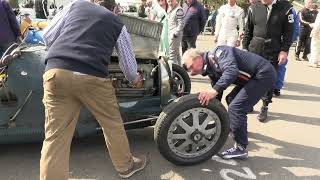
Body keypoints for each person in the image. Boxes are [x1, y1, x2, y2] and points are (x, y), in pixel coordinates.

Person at [40, 0, 147, 179]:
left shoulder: (76, 5)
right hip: (92, 76)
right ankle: (125, 167)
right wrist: (135, 79)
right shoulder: (116, 23)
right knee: (112, 124)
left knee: (55, 136)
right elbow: (128, 67)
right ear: (115, 9)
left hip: (56, 72)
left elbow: (47, 36)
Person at [182, 46, 276, 159]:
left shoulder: (219, 53)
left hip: (263, 74)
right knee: (231, 99)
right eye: (190, 70)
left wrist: (212, 91)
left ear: (198, 58)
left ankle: (241, 148)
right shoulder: (209, 68)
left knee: (236, 108)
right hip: (251, 78)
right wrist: (208, 112)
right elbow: (217, 94)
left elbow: (231, 71)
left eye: (191, 67)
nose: (192, 72)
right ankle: (235, 128)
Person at [242, 0, 294, 122]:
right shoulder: (254, 7)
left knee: (268, 79)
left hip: (273, 49)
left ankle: (265, 105)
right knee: (250, 77)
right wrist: (244, 48)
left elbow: (289, 33)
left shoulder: (286, 8)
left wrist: (284, 51)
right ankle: (249, 102)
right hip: (254, 48)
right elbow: (248, 30)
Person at [274, 5, 300, 96]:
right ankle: (276, 87)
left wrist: (287, 44)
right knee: (280, 64)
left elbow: (295, 29)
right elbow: (296, 30)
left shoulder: (289, 10)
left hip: (280, 42)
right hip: (281, 42)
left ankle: (276, 87)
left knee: (280, 64)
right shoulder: (291, 9)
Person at [167, 0, 184, 65]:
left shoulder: (178, 10)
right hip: (171, 34)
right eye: (168, 1)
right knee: (176, 54)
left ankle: (173, 72)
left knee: (172, 55)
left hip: (174, 35)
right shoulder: (171, 8)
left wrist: (175, 34)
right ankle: (180, 71)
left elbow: (181, 23)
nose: (170, 3)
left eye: (171, 1)